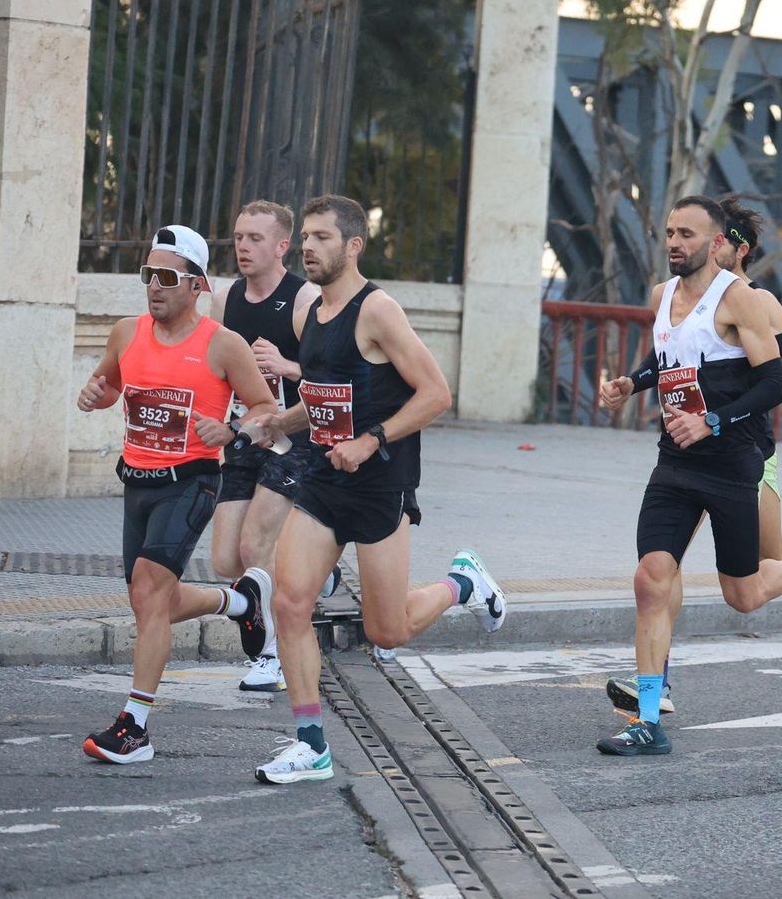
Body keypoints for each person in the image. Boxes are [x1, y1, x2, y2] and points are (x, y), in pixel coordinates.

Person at [242, 195, 507, 784]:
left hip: (379, 485)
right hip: (321, 480)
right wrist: (273, 426)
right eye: (305, 237)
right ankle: (312, 746)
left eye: (322, 238)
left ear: (353, 246)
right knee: (289, 603)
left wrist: (369, 441)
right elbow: (320, 398)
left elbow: (436, 393)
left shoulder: (377, 310)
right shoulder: (312, 314)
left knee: (388, 630)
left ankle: (465, 582)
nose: (308, 247)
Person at [594, 195, 782, 756]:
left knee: (743, 594)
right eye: (668, 232)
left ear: (716, 243)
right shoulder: (662, 296)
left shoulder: (746, 301)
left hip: (736, 462)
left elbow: (779, 383)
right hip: (675, 461)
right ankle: (647, 719)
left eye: (686, 234)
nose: (673, 243)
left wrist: (712, 418)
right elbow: (669, 358)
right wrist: (630, 385)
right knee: (652, 579)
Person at [75, 225, 281, 764]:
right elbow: (109, 385)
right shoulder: (126, 332)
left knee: (148, 592)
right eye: (149, 275)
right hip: (136, 482)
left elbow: (265, 410)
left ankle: (135, 727)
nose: (154, 286)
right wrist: (95, 394)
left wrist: (234, 431)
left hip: (190, 482)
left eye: (167, 277)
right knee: (153, 603)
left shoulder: (223, 344)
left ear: (198, 285)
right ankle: (240, 601)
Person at [207, 200, 330, 693]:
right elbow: (214, 367)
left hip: (296, 437)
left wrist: (287, 366)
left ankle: (273, 655)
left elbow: (330, 378)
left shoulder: (304, 301)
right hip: (246, 433)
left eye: (255, 238)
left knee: (256, 544)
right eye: (238, 237)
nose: (243, 246)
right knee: (224, 560)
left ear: (283, 246)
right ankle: (314, 565)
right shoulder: (224, 298)